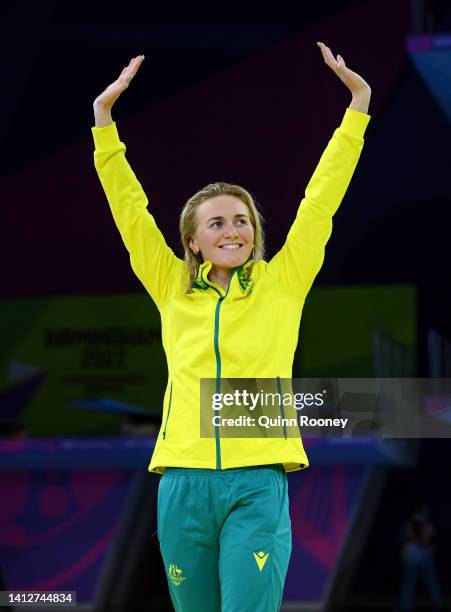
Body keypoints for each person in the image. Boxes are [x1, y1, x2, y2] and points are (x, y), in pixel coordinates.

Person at [91, 42, 371, 612]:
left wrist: (357, 109)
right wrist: (104, 126)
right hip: (181, 485)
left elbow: (320, 202)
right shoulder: (170, 285)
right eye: (217, 222)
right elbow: (130, 212)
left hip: (256, 482)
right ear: (192, 240)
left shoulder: (283, 282)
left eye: (243, 220)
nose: (234, 230)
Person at [397, 504, 444, 610]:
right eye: (425, 511)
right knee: (419, 583)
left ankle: (405, 607)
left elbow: (430, 538)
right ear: (421, 511)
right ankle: (439, 604)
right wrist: (429, 546)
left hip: (418, 558)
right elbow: (420, 540)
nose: (426, 513)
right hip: (415, 558)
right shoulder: (415, 523)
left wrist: (430, 546)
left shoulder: (421, 523)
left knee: (412, 584)